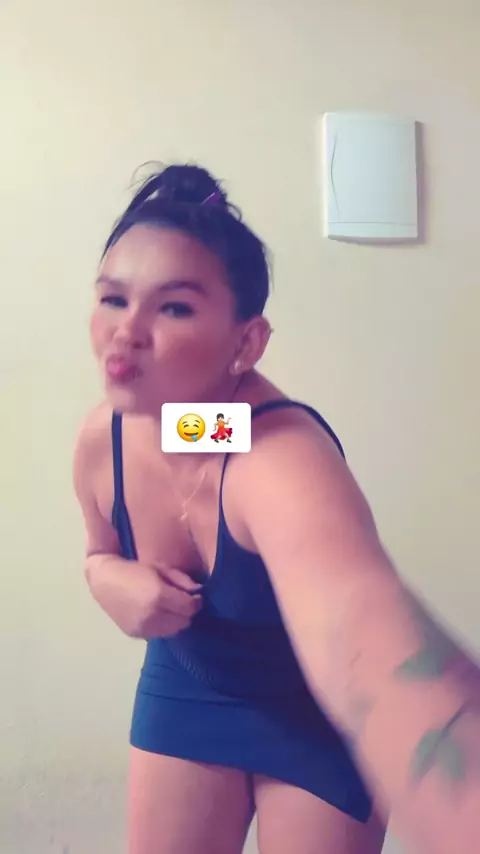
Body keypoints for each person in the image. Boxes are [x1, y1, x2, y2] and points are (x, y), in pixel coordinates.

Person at [73, 163, 480, 854]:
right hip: (188, 686)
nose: (128, 331)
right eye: (114, 298)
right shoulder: (130, 431)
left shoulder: (277, 457)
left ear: (247, 343)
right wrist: (102, 574)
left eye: (174, 308)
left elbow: (360, 631)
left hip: (314, 717)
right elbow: (107, 537)